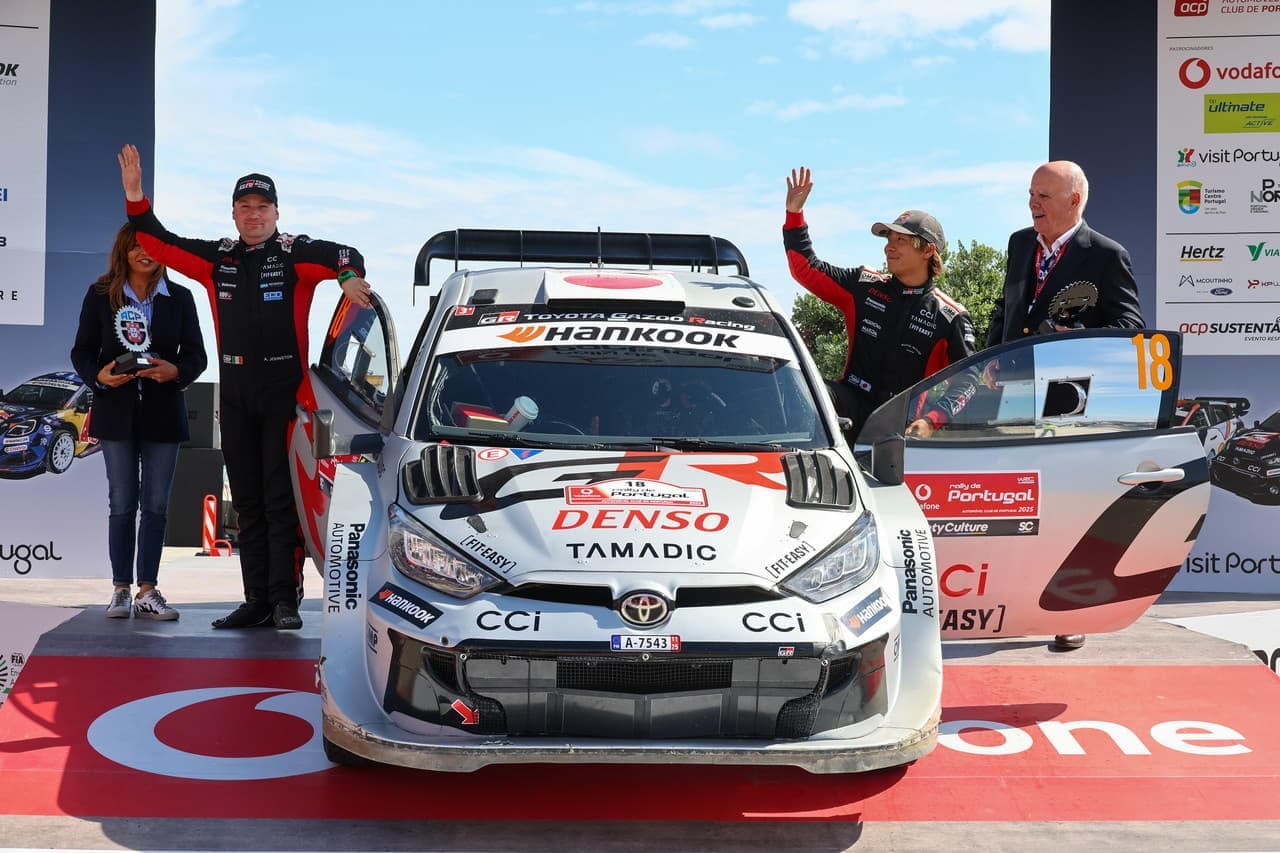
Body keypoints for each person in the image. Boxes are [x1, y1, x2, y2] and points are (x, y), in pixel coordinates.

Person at [117, 144, 372, 631]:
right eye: (245, 207)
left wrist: (346, 277)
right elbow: (157, 241)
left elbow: (346, 255)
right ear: (233, 214)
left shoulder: (294, 252)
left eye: (262, 207)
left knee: (280, 500)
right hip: (235, 398)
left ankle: (285, 599)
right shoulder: (218, 258)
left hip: (284, 398)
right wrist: (135, 196)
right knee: (248, 505)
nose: (254, 215)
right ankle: (256, 600)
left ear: (276, 213)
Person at [986, 160, 1145, 652]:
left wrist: (1072, 336)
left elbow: (1130, 328)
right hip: (1013, 394)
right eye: (1031, 194)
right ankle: (1016, 604)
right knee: (1015, 505)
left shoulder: (1106, 255)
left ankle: (1070, 612)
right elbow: (1006, 309)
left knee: (1064, 510)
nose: (1032, 203)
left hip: (1067, 401)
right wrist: (989, 358)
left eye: (1043, 196)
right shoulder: (1019, 244)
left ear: (1074, 200)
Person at [70, 223, 208, 621]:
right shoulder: (101, 295)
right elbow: (81, 351)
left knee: (156, 504)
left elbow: (197, 356)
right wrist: (99, 376)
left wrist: (175, 371)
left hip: (164, 414)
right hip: (116, 413)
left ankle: (148, 590)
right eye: (135, 247)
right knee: (122, 501)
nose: (143, 254)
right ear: (124, 251)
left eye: (150, 247)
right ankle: (120, 589)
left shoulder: (180, 298)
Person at [783, 166, 977, 439]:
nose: (889, 246)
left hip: (900, 425)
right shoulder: (864, 285)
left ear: (928, 250)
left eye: (901, 240)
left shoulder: (950, 316)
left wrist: (930, 421)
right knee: (805, 389)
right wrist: (794, 214)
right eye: (889, 239)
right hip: (849, 404)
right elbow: (805, 268)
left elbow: (968, 380)